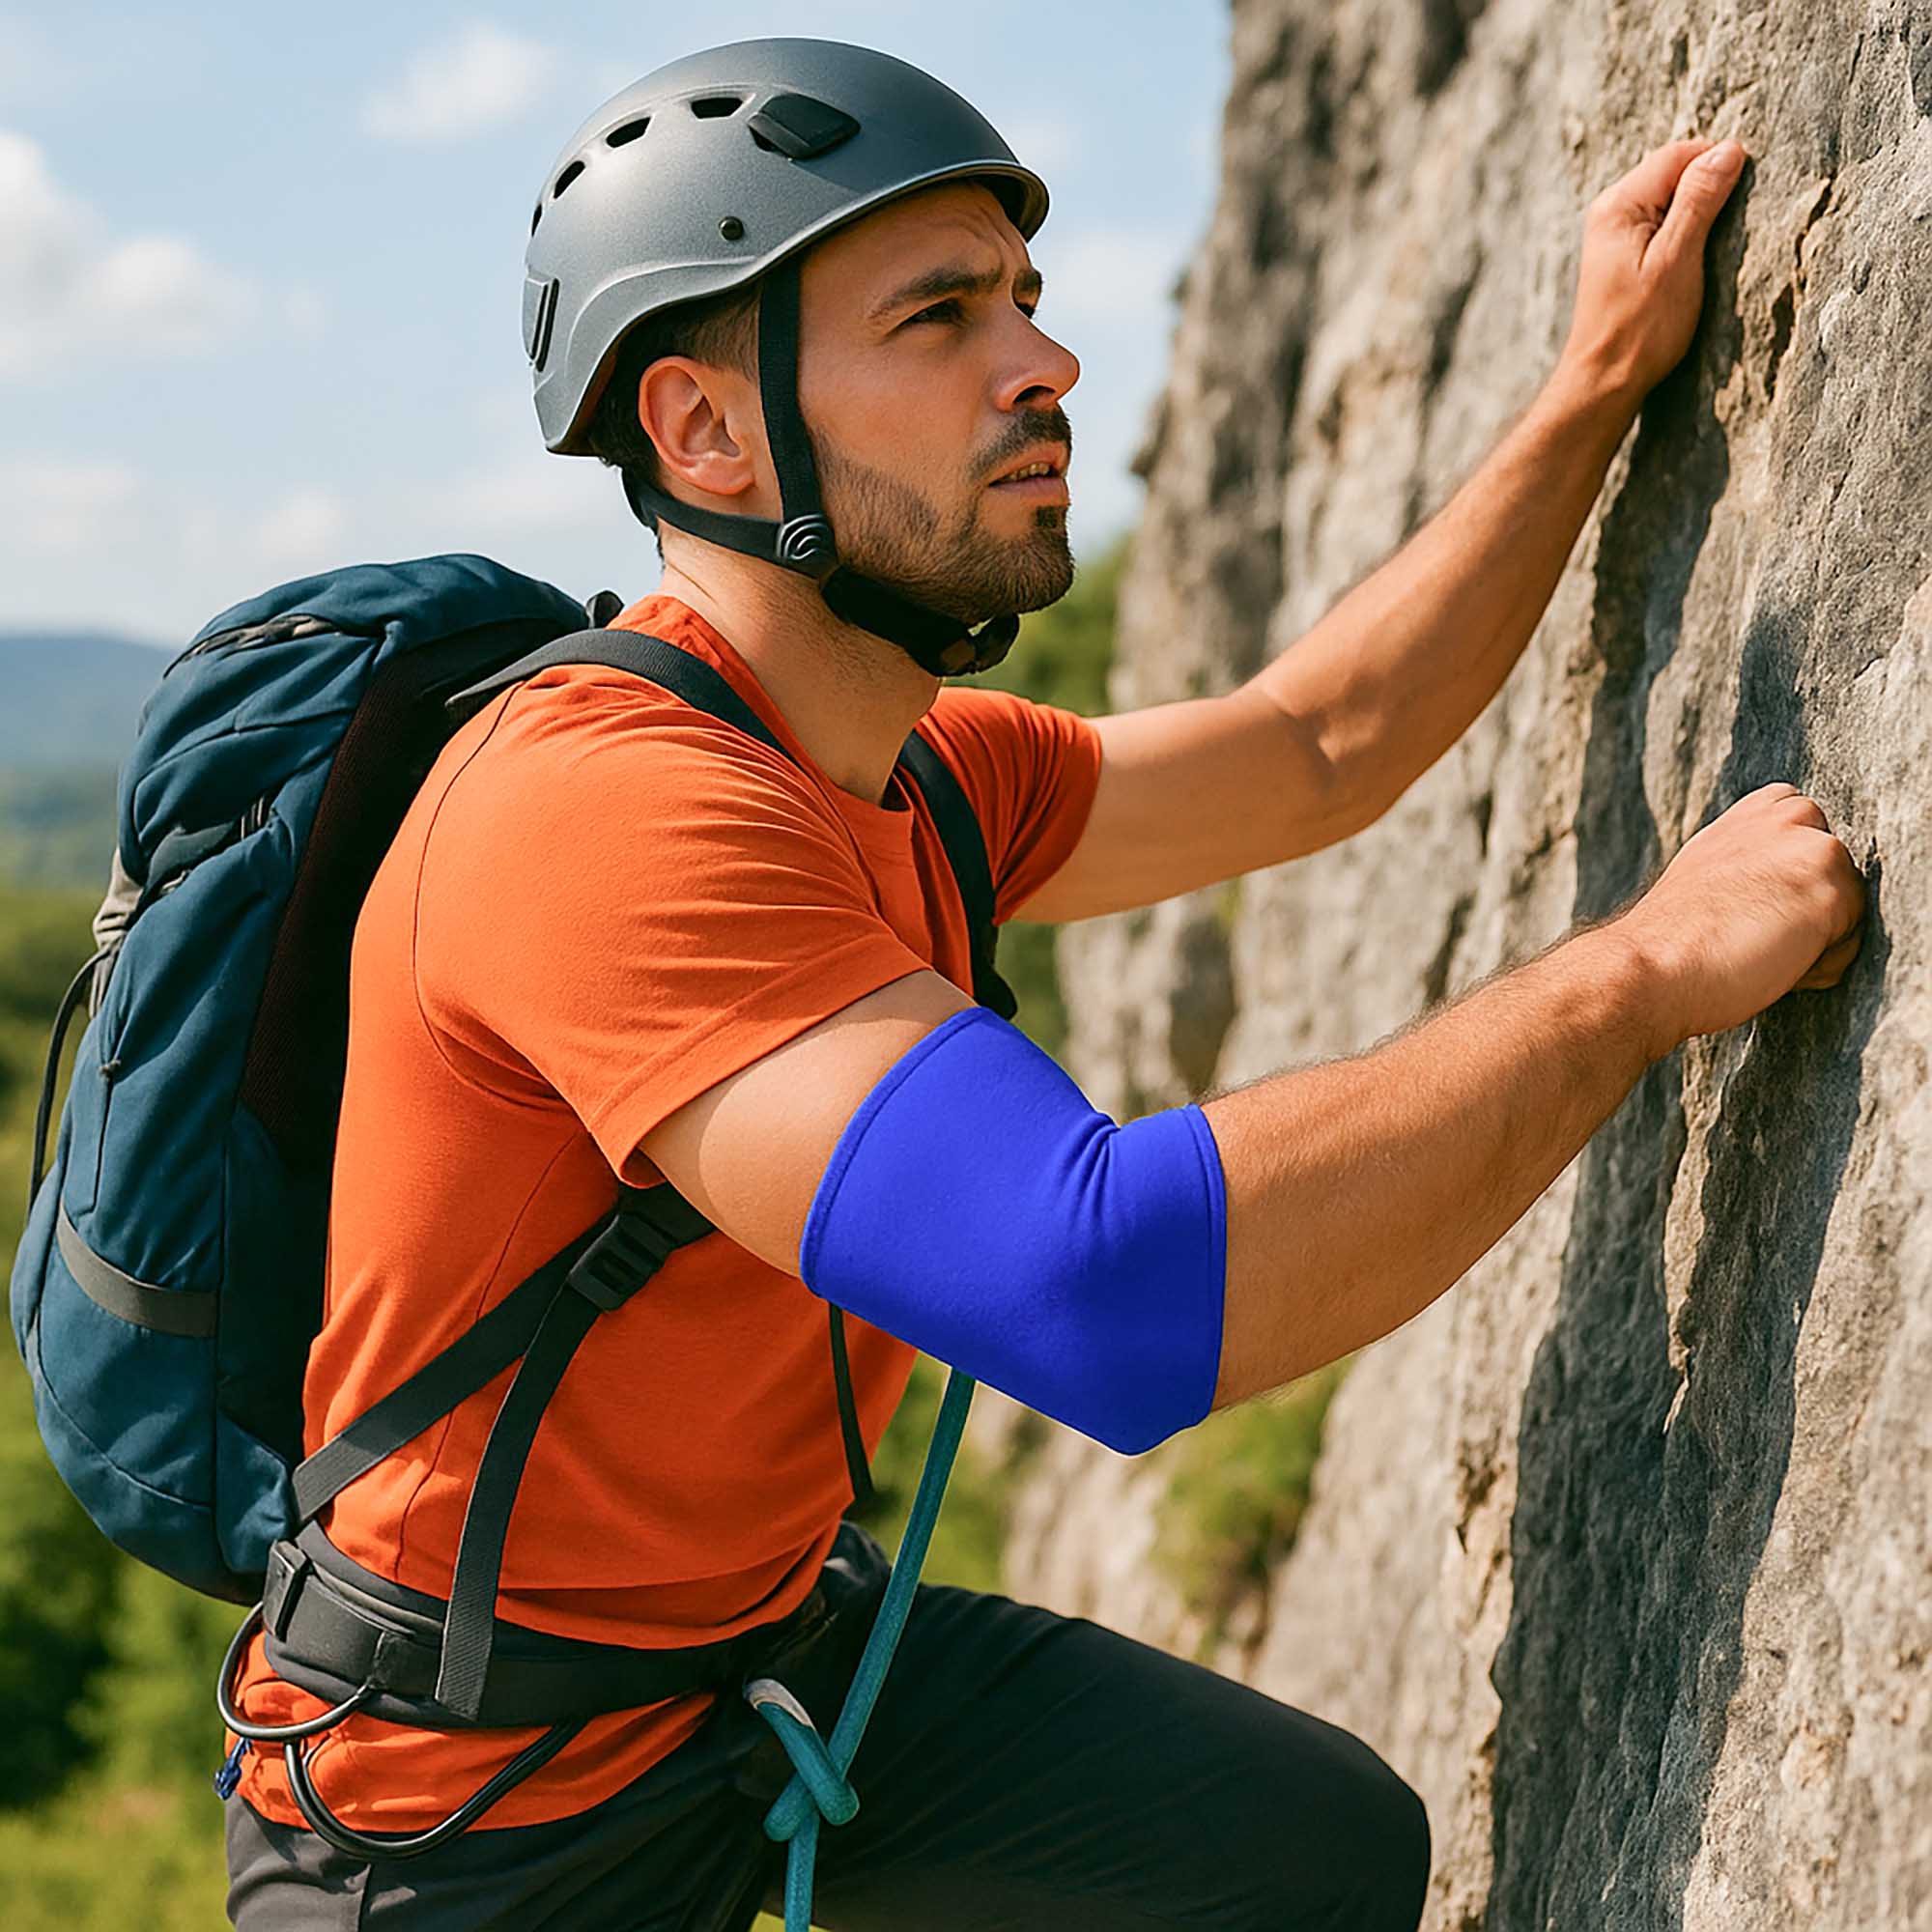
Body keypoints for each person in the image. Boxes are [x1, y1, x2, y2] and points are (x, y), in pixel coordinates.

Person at [223, 36, 1864, 1932]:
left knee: (1298, 1856)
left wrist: (1588, 390)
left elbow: (1321, 740)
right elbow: (1101, 1284)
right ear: (703, 432)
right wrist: (1643, 973)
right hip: (463, 1817)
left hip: (745, 1668)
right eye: (937, 315)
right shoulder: (607, 818)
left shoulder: (909, 769)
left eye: (1023, 297)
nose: (1043, 363)